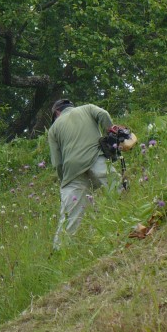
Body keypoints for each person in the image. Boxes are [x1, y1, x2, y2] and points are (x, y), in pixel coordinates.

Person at [47, 99, 116, 248]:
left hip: (71, 171)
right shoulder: (88, 108)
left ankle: (59, 250)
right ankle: (129, 219)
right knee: (117, 189)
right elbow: (104, 114)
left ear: (57, 113)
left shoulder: (53, 129)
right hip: (96, 158)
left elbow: (57, 163)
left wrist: (64, 179)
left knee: (69, 216)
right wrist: (110, 136)